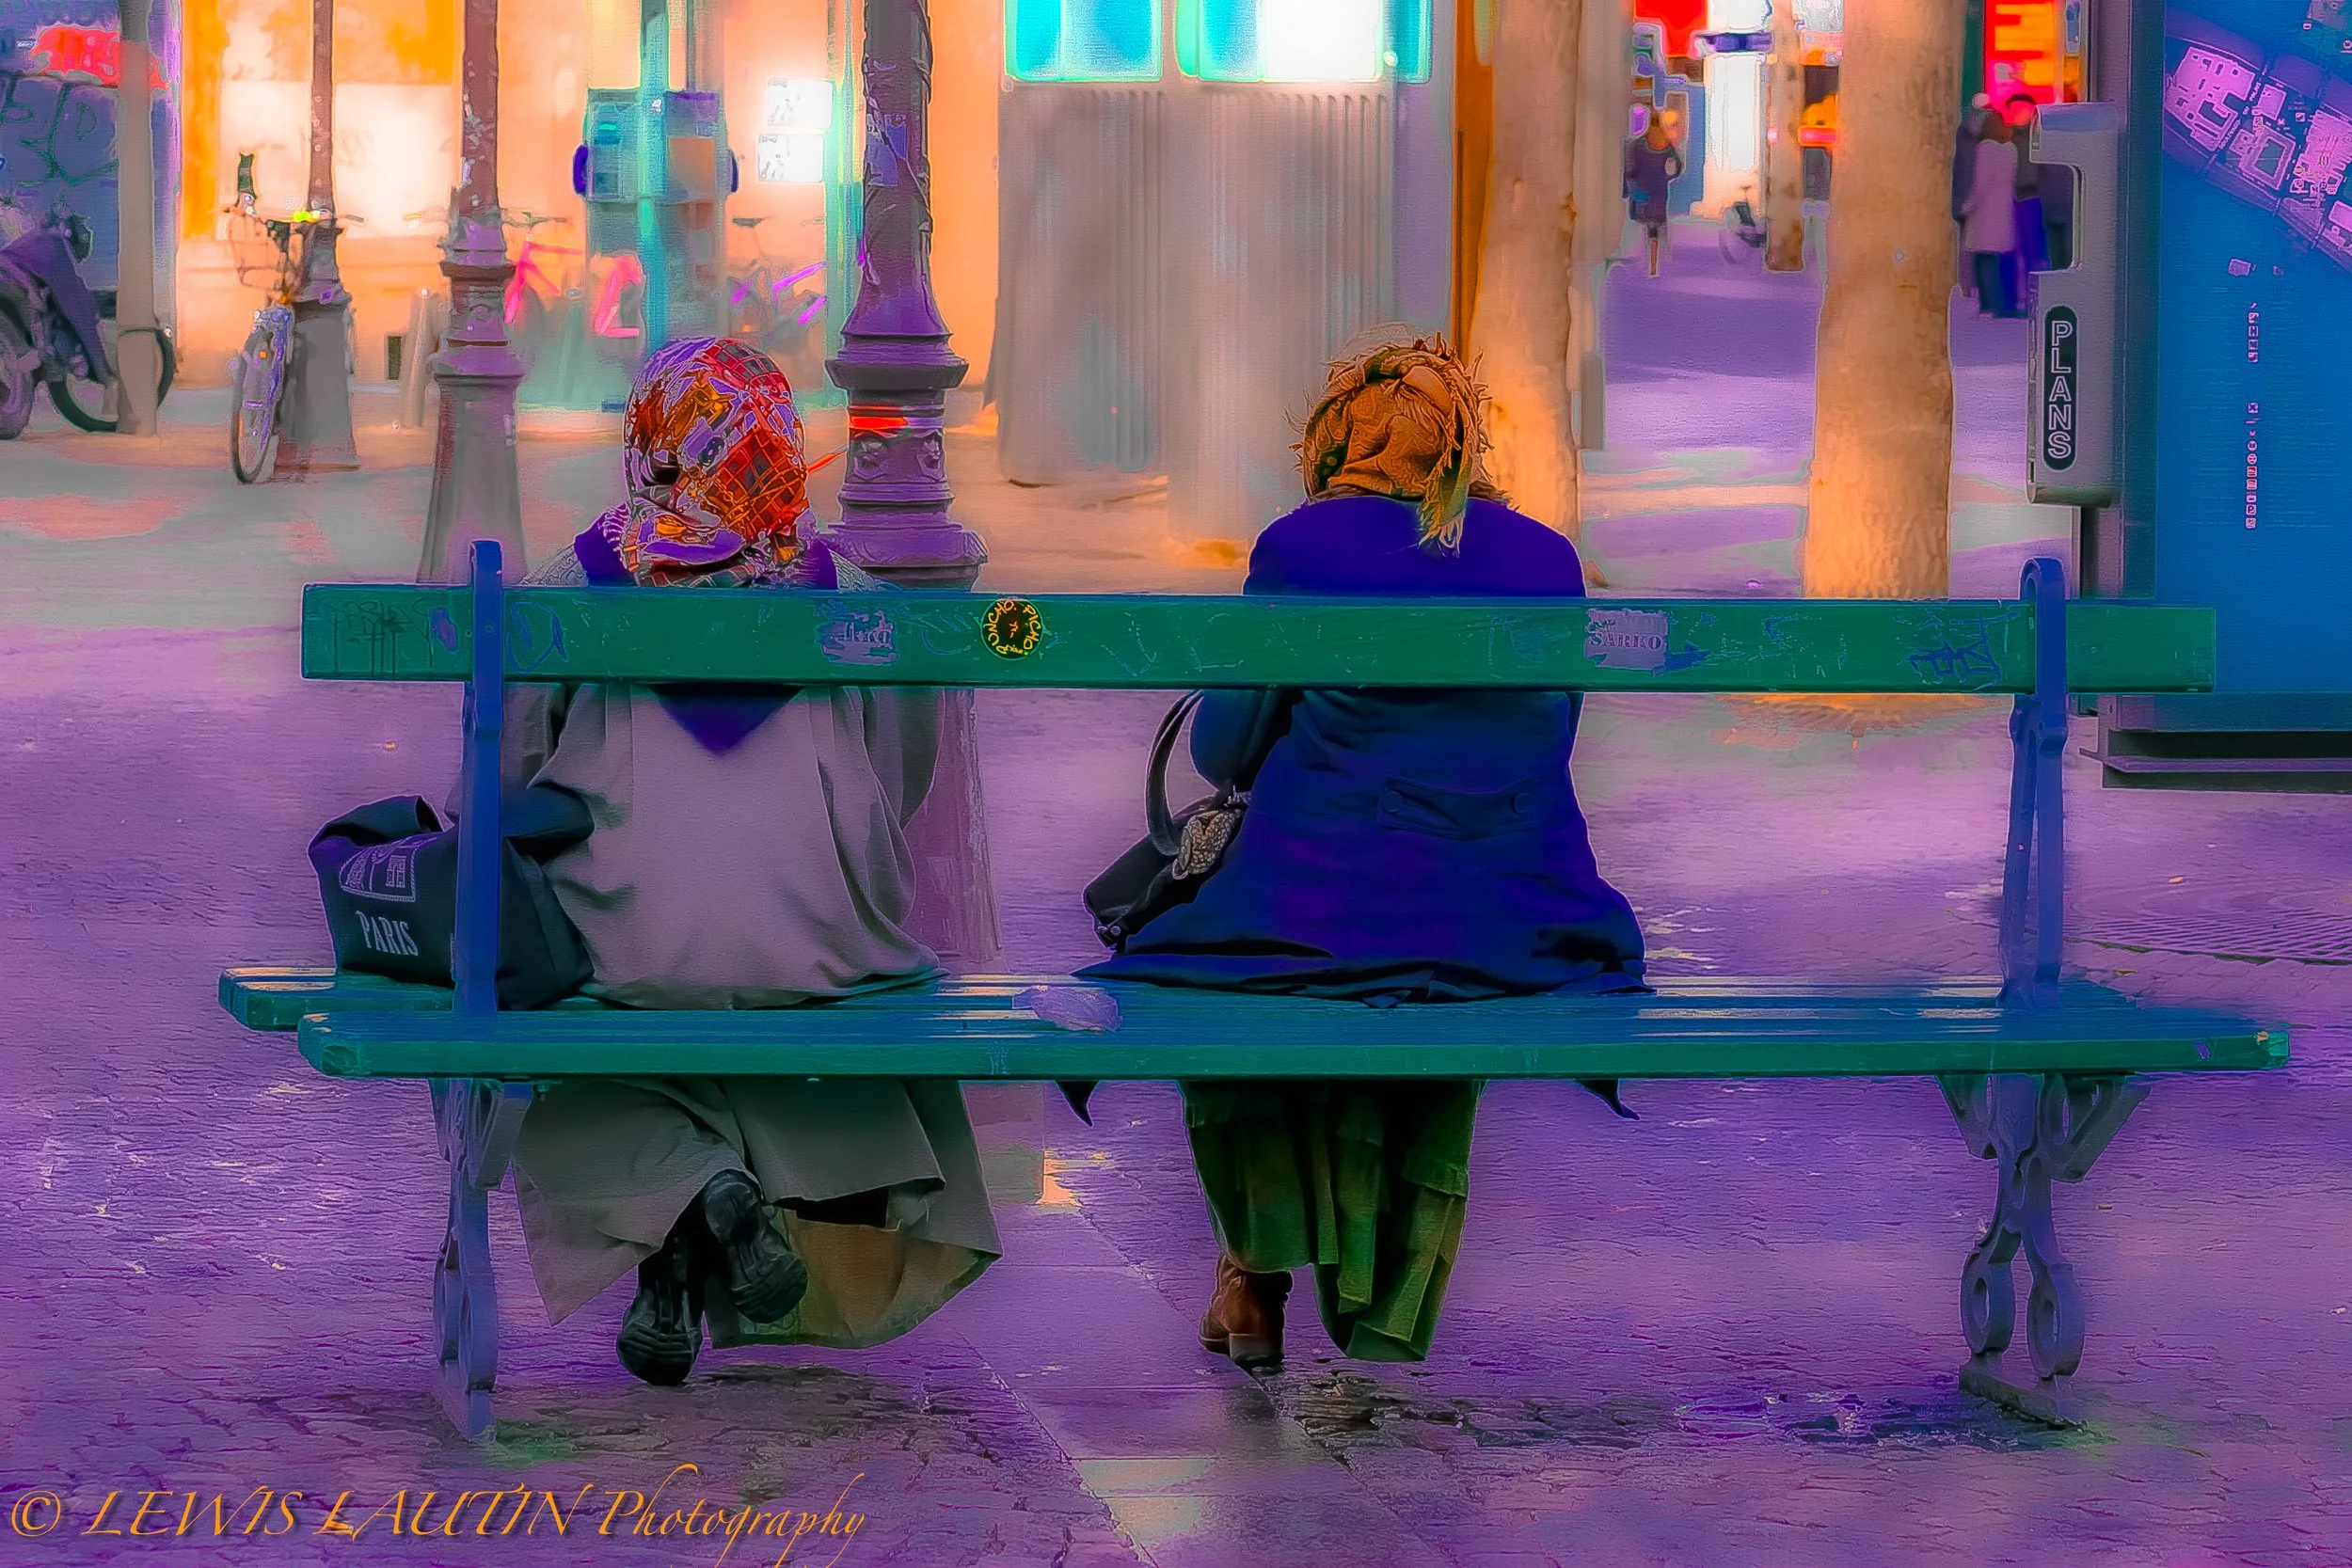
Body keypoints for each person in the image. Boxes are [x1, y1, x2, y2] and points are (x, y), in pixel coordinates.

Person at [1083, 335, 1646, 1371]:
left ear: (1341, 438)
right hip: (1511, 922)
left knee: (1203, 955)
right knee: (1415, 946)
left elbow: (1221, 747)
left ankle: (1251, 1268)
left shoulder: (1304, 548)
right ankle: (1382, 1287)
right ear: (1462, 444)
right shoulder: (1546, 557)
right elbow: (1547, 734)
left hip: (1322, 913)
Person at [485, 337, 1001, 1386]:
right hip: (816, 951)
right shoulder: (851, 595)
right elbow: (898, 775)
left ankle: (690, 1198)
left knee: (540, 1056)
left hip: (627, 952)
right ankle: (699, 1219)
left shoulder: (569, 585)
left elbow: (505, 780)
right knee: (773, 1010)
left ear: (653, 444)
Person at [1962, 110, 2025, 319]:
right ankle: (2007, 302)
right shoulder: (2010, 150)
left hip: (1984, 213)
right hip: (2003, 210)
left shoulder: (1984, 149)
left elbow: (1981, 184)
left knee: (1983, 260)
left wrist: (1967, 206)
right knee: (2000, 259)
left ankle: (1988, 305)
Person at [1624, 114, 1686, 277]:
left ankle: (1647, 262)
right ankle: (1655, 262)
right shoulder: (1666, 144)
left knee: (1645, 224)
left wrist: (1632, 182)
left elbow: (1631, 170)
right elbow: (1678, 166)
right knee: (1656, 225)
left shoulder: (1638, 145)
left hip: (1643, 189)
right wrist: (1667, 177)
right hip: (1659, 189)